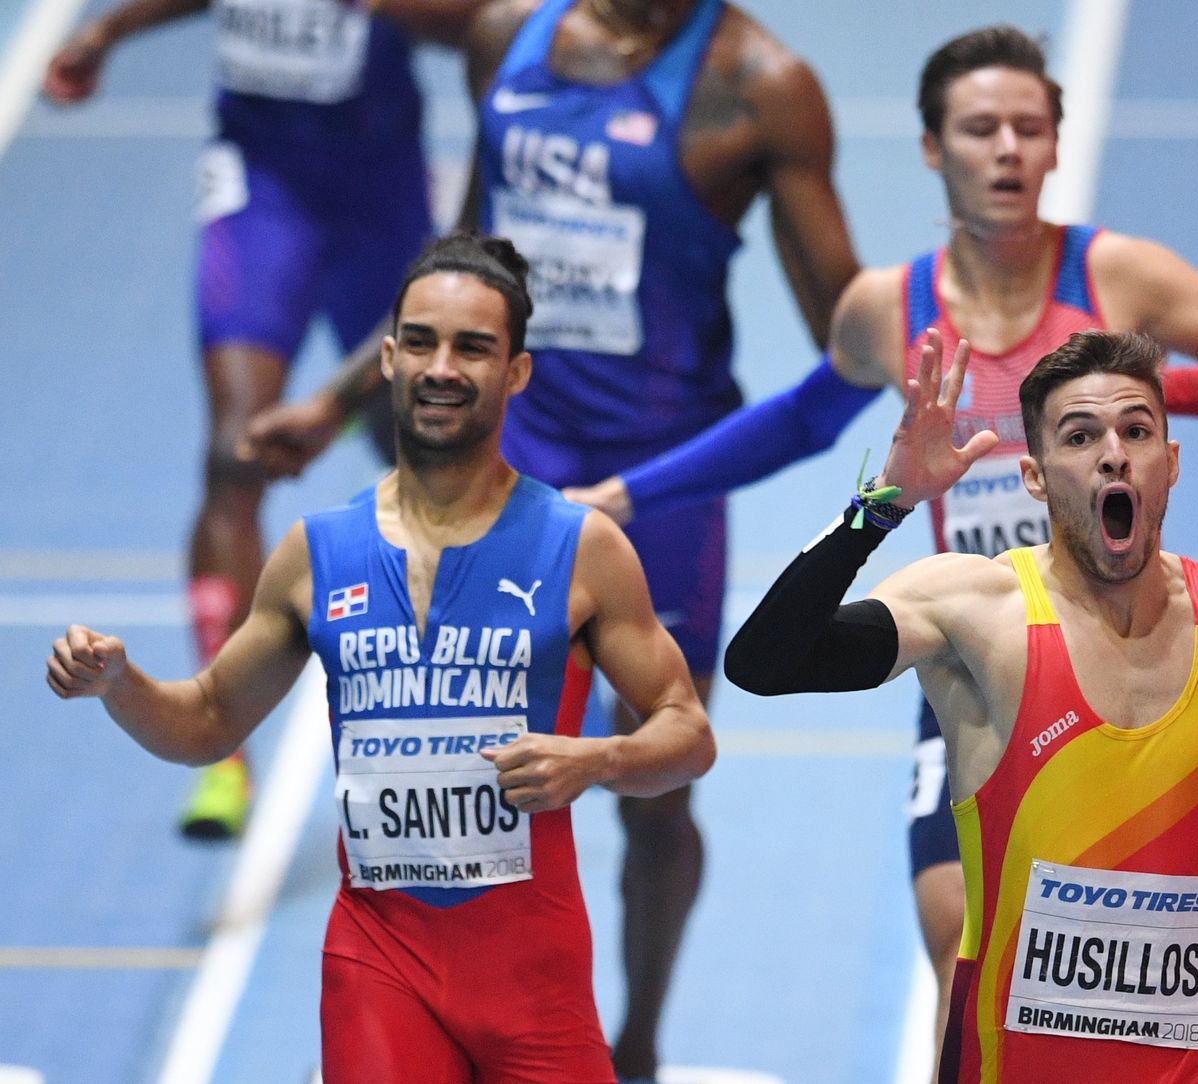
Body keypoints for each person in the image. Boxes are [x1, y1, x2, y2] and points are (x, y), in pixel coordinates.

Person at [561, 24, 1198, 1058]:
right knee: (966, 961)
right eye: (981, 128)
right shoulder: (891, 308)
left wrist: (1120, 399)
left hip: (1132, 658)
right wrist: (626, 492)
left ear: (1057, 147)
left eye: (1029, 127)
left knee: (1162, 988)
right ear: (932, 148)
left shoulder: (1117, 278)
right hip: (983, 662)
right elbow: (793, 423)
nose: (1008, 149)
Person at [240, 2, 859, 1076]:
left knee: (659, 787)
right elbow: (465, 258)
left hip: (658, 486)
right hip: (506, 458)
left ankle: (639, 1046)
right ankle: (402, 1013)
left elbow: (848, 335)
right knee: (438, 752)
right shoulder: (506, 40)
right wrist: (338, 400)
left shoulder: (761, 85)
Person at [47, 231, 716, 1084]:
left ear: (516, 373)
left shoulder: (581, 548)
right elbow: (208, 721)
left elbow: (688, 735)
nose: (444, 367)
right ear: (389, 360)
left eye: (474, 347)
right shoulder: (315, 554)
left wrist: (598, 758)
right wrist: (119, 683)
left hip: (534, 978)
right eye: (424, 343)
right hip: (379, 966)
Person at [721, 328, 1198, 1081]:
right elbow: (762, 664)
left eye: (1136, 430)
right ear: (1036, 478)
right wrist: (878, 509)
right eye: (1080, 436)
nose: (1113, 453)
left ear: (1169, 466)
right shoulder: (973, 607)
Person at [43, 0, 490, 840]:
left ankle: (458, 701)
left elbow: (484, 21)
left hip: (378, 198)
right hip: (261, 190)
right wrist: (108, 31)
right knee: (234, 454)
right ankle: (221, 742)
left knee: (427, 447)